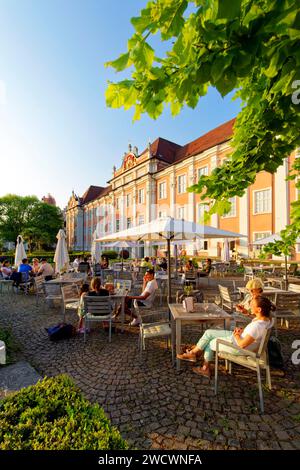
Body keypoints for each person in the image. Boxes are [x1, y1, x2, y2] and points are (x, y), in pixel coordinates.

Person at [177, 295, 275, 378]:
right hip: (239, 338)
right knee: (208, 332)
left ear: (259, 309)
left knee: (210, 342)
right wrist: (242, 330)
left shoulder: (257, 326)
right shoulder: (267, 320)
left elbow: (241, 345)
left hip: (237, 346)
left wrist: (237, 335)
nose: (249, 305)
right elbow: (253, 333)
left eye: (252, 304)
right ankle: (194, 353)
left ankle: (204, 367)